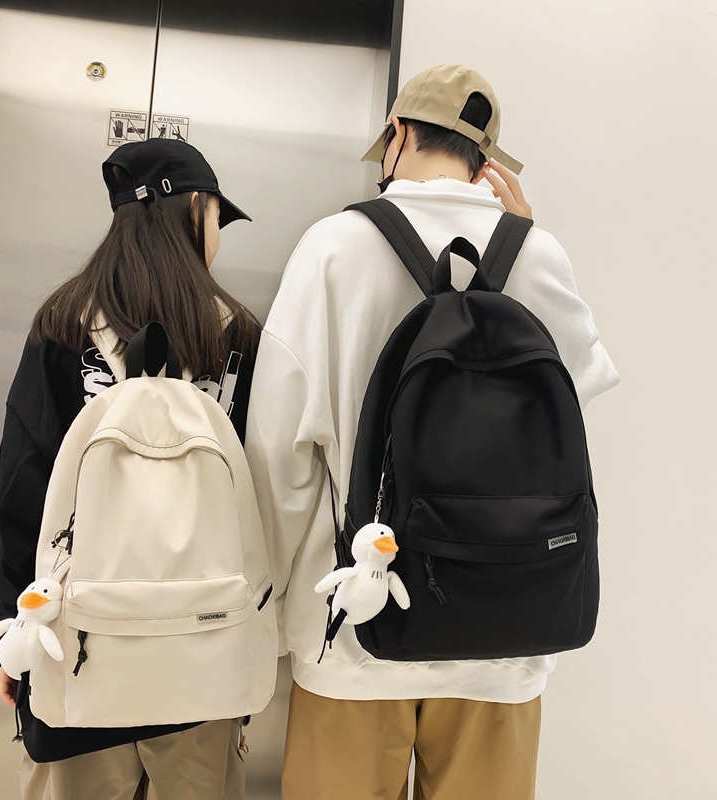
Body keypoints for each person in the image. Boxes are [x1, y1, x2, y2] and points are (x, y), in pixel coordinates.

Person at [244, 64, 620, 800]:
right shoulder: (537, 250)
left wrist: (277, 611)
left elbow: (278, 456)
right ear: (485, 161)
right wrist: (531, 241)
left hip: (356, 629)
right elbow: (570, 406)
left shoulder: (333, 247)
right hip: (505, 637)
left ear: (398, 133)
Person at [0, 138, 260, 800]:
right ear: (194, 208)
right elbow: (263, 493)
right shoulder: (238, 336)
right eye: (218, 216)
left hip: (77, 641)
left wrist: (14, 619)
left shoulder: (62, 323)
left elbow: (20, 483)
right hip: (205, 645)